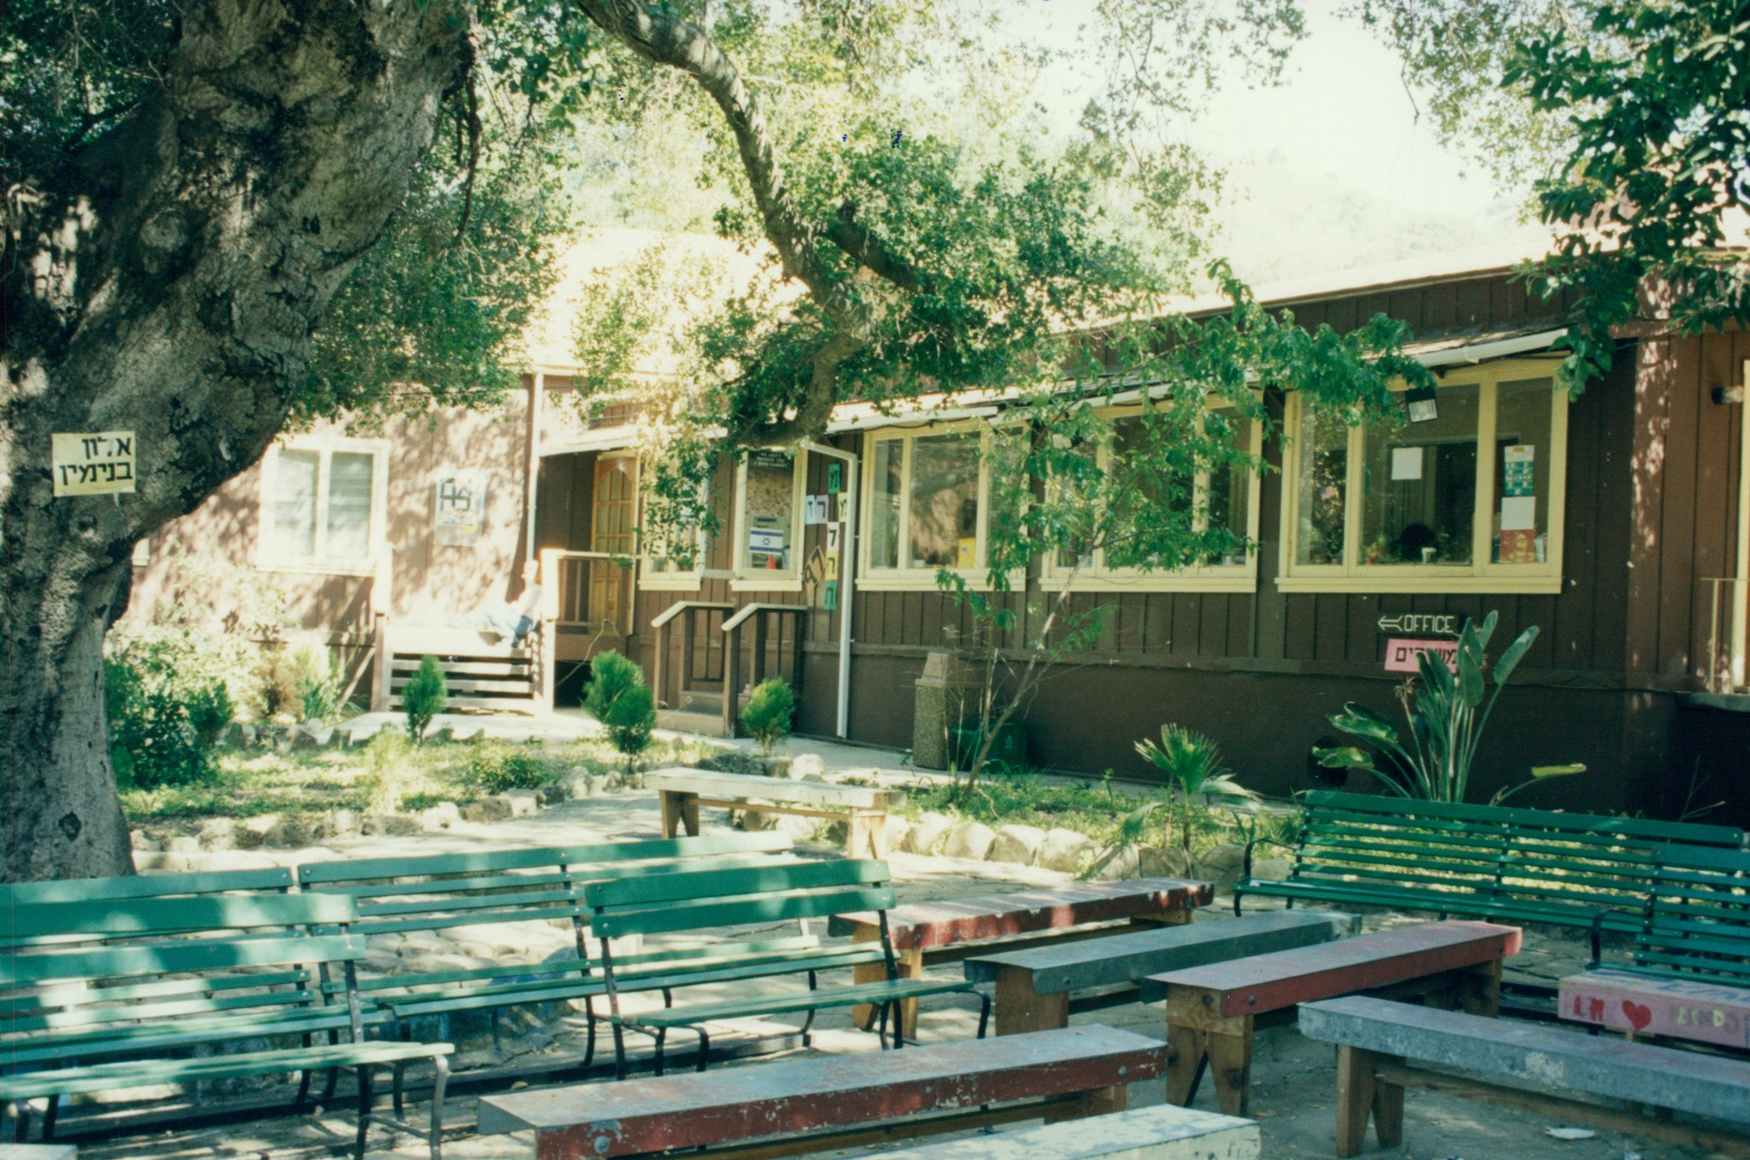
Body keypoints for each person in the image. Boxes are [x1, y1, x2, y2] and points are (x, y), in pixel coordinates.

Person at [462, 558, 544, 645]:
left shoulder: (536, 590)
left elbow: (520, 610)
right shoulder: (530, 589)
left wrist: (509, 607)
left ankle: (510, 637)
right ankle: (466, 622)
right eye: (526, 570)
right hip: (520, 620)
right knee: (490, 609)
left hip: (525, 623)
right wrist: (508, 607)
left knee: (492, 611)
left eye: (530, 570)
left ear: (536, 573)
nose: (525, 574)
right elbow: (518, 608)